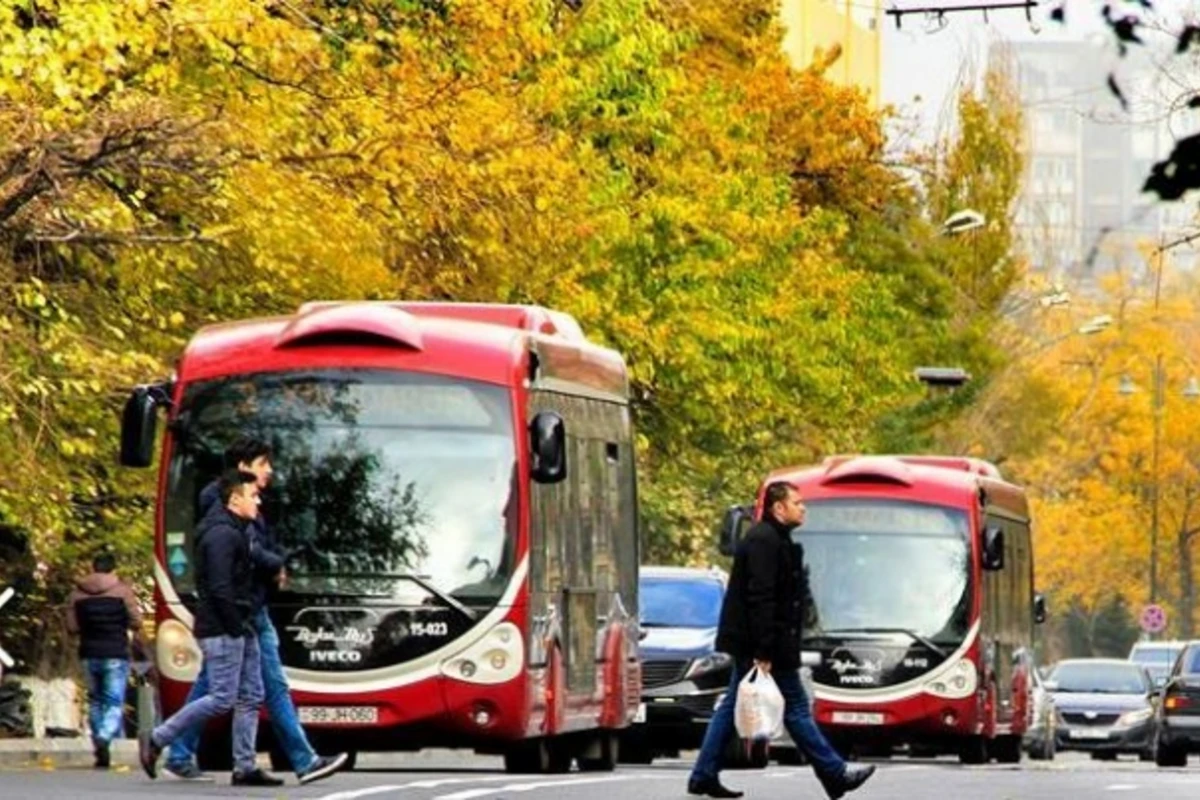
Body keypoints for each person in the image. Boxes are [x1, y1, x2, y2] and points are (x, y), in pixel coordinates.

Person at [162, 436, 347, 785]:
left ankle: (180, 752)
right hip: (241, 612)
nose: (269, 472)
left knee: (221, 688)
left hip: (249, 607)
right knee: (270, 686)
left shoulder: (242, 500)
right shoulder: (221, 500)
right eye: (263, 464)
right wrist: (273, 563)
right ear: (244, 468)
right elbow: (243, 548)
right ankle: (304, 761)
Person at [687, 482, 876, 800]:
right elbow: (762, 597)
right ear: (778, 508)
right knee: (797, 708)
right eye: (797, 503)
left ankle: (703, 775)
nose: (803, 508)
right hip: (763, 644)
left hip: (763, 642)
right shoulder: (764, 541)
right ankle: (834, 773)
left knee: (733, 705)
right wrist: (764, 649)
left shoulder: (775, 539)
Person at [139, 469, 282, 786]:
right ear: (234, 498)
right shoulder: (221, 535)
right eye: (252, 495)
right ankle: (158, 738)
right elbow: (219, 588)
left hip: (240, 625)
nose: (258, 500)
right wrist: (234, 627)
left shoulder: (237, 531)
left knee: (250, 696)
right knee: (222, 697)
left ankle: (245, 767)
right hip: (223, 628)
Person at [66, 552, 146, 769]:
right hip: (116, 654)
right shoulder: (123, 592)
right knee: (112, 701)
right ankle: (104, 736)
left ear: (93, 568)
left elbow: (72, 628)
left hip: (89, 653)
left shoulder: (76, 595)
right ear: (113, 569)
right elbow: (137, 622)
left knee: (95, 701)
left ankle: (100, 747)